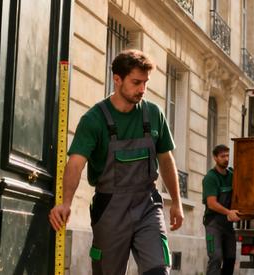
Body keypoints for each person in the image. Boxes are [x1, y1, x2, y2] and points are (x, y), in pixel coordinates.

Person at [48, 49, 184, 275]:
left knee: (158, 270)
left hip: (147, 204)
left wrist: (177, 202)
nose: (142, 89)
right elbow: (75, 163)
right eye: (136, 82)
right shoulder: (94, 120)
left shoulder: (154, 114)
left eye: (145, 83)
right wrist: (66, 202)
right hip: (110, 208)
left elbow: (166, 160)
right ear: (117, 79)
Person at [202, 144, 240, 275]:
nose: (226, 158)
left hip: (228, 225)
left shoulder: (232, 175)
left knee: (230, 259)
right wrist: (228, 212)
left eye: (227, 155)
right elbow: (211, 204)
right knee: (216, 258)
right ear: (215, 158)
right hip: (213, 224)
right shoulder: (210, 178)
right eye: (222, 156)